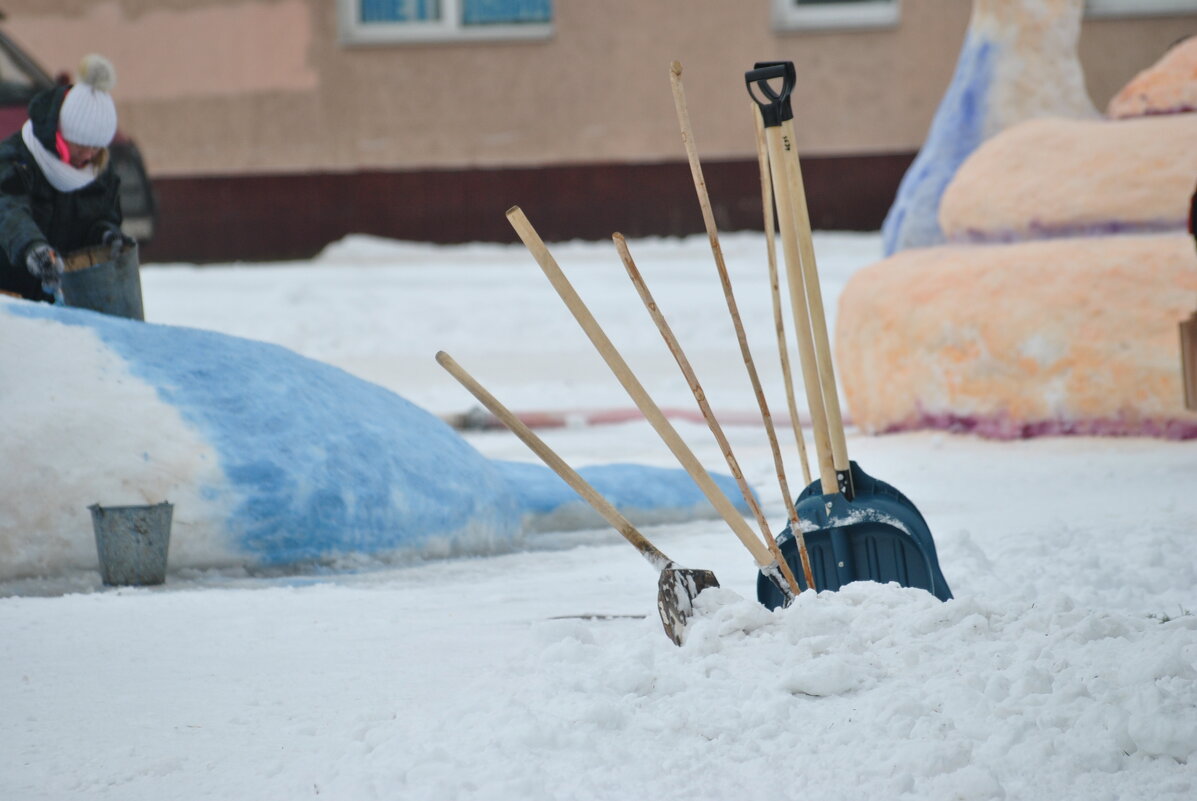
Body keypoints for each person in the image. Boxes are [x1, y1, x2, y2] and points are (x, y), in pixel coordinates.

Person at [0, 53, 132, 302]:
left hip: (61, 302)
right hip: (8, 297)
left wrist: (106, 235)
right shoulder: (17, 159)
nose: (87, 155)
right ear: (61, 133)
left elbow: (100, 217)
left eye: (95, 148)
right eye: (80, 146)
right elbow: (8, 211)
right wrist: (33, 248)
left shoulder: (99, 172)